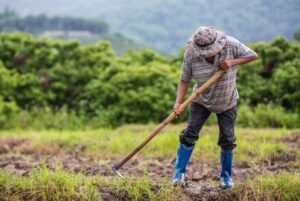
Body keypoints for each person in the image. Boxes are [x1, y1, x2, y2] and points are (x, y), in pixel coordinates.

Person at [172, 26, 258, 188]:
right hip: (201, 99)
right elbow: (184, 79)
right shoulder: (191, 54)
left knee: (227, 138)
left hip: (227, 100)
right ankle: (178, 174)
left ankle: (226, 177)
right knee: (189, 134)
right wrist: (178, 102)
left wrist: (232, 62)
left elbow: (253, 55)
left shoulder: (231, 45)